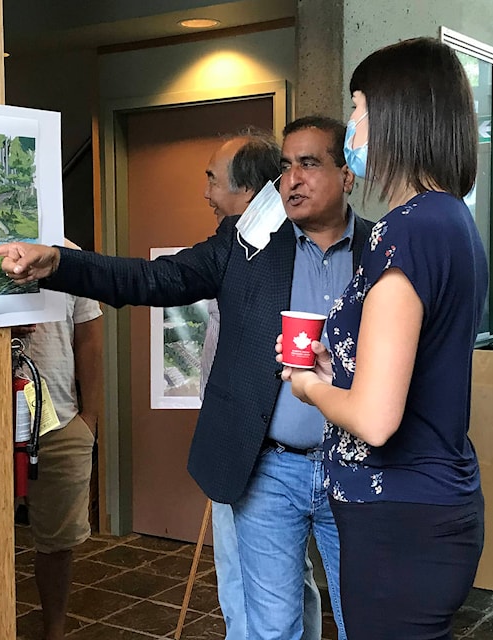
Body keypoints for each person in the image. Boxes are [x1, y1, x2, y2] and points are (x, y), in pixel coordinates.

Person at [0, 116, 373, 639]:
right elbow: (155, 279)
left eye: (309, 164)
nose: (292, 179)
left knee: (366, 621)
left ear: (347, 175)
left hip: (357, 468)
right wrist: (59, 263)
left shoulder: (383, 250)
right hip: (271, 471)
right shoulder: (248, 244)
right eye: (285, 167)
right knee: (272, 628)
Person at [277, 37, 488, 640]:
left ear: (397, 117)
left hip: (402, 518)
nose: (350, 129)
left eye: (358, 110)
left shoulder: (409, 231)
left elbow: (374, 418)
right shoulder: (448, 218)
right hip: (424, 510)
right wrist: (334, 364)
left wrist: (309, 385)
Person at [199, 130, 321, 640]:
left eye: (211, 179)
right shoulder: (239, 243)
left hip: (270, 455)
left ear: (248, 192)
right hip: (239, 445)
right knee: (282, 585)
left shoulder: (273, 249)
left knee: (254, 586)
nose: (205, 192)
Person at [14, 250, 103, 640]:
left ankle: (55, 630)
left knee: (58, 542)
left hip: (60, 421)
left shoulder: (69, 256)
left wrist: (91, 419)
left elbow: (90, 339)